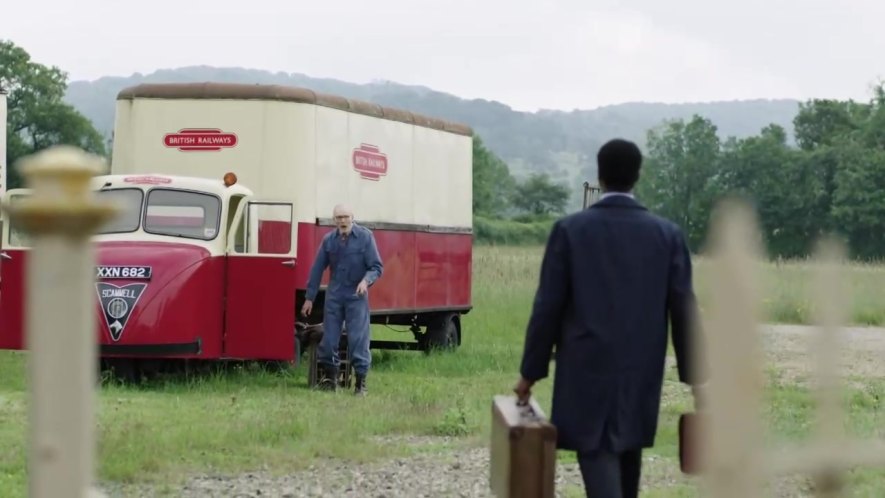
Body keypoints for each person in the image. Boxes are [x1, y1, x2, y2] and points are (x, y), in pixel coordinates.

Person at [513, 138, 708, 498]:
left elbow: (548, 308)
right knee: (628, 452)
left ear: (600, 176)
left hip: (585, 371)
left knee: (598, 454)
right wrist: (697, 381)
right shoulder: (667, 235)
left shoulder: (570, 231)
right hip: (641, 371)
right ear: (637, 176)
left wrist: (530, 373)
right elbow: (684, 310)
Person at [302, 203, 383, 396]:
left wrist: (366, 281)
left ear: (352, 217)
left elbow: (376, 267)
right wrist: (309, 298)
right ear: (334, 220)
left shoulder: (365, 238)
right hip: (335, 296)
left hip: (357, 296)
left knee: (358, 339)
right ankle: (331, 381)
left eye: (346, 217)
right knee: (329, 340)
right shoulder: (329, 241)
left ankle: (360, 384)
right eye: (339, 218)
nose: (343, 221)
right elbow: (316, 270)